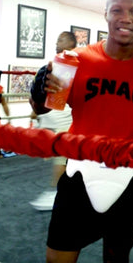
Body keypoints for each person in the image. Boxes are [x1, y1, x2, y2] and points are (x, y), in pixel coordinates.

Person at [29, 0, 133, 263]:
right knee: (56, 258)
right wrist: (36, 93)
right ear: (106, 15)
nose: (126, 18)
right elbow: (43, 110)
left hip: (131, 180)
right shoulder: (72, 62)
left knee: (116, 258)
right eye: (117, 10)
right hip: (78, 177)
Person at [29, 31, 77, 211]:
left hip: (66, 120)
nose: (57, 43)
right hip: (51, 120)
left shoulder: (76, 66)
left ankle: (55, 193)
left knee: (61, 158)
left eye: (61, 40)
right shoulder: (52, 65)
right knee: (62, 158)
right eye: (57, 39)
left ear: (71, 43)